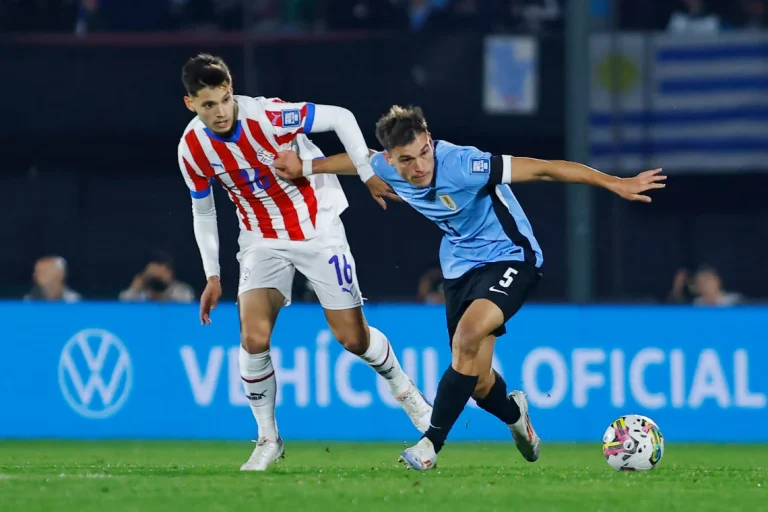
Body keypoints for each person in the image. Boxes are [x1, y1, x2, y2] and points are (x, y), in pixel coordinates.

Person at [274, 105, 667, 471]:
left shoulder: (465, 164)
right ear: (391, 159)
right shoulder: (385, 165)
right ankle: (516, 417)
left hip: (511, 257)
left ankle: (430, 444)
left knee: (466, 338)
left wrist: (615, 182)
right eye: (406, 160)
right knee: (478, 382)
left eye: (423, 153)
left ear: (429, 140)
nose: (419, 166)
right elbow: (356, 161)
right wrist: (305, 166)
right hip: (460, 270)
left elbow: (545, 169)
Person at [177, 55, 432, 471]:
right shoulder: (192, 149)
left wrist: (367, 172)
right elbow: (203, 211)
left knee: (353, 339)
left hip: (317, 227)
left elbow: (342, 117)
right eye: (207, 105)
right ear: (190, 104)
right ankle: (267, 438)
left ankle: (408, 395)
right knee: (253, 336)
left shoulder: (270, 115)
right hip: (261, 238)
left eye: (224, 99)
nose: (219, 111)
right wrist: (212, 273)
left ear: (231, 88)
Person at [119, 251, 195, 303]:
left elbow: (187, 307)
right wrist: (134, 289)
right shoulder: (140, 291)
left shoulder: (182, 291)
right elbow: (121, 305)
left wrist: (162, 293)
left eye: (163, 271)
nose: (158, 275)